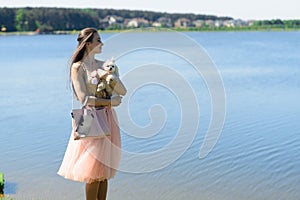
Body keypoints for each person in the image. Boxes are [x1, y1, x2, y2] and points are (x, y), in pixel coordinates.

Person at [57, 27, 126, 200]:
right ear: (88, 44)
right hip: (89, 119)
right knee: (93, 170)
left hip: (108, 118)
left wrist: (113, 77)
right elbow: (84, 99)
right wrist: (110, 102)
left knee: (104, 170)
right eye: (98, 40)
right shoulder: (78, 67)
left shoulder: (104, 65)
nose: (102, 43)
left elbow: (123, 91)